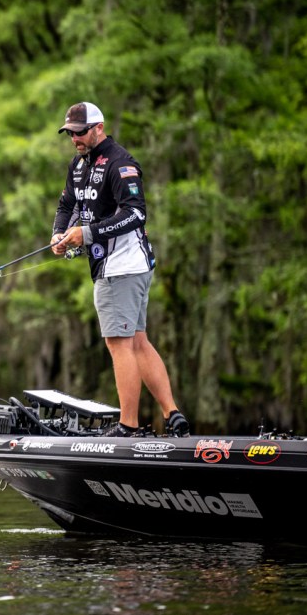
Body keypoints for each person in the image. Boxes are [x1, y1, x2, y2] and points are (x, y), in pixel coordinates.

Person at [50, 102, 190, 438]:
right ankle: (173, 414)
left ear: (99, 128)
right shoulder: (78, 165)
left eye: (80, 132)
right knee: (138, 342)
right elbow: (67, 204)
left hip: (121, 267)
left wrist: (87, 234)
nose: (75, 139)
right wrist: (59, 234)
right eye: (70, 133)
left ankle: (128, 425)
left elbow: (136, 214)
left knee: (119, 343)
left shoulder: (120, 162)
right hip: (120, 267)